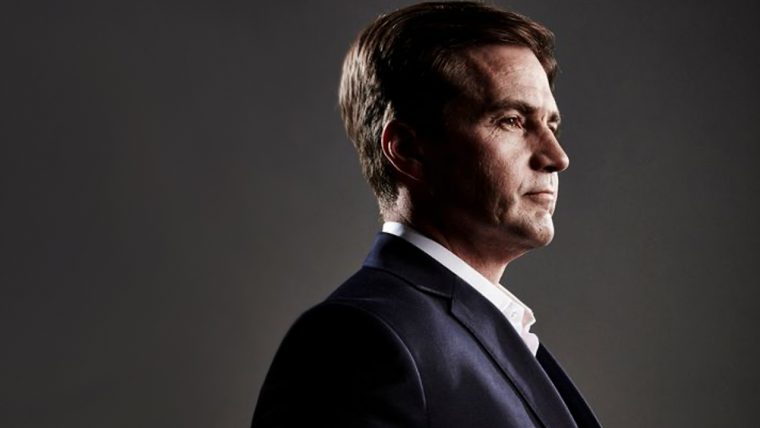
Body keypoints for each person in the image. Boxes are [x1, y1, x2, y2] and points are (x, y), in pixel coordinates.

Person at [252, 2, 602, 427]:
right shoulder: (358, 339)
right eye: (511, 120)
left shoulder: (486, 329)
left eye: (551, 125)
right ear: (407, 150)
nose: (556, 156)